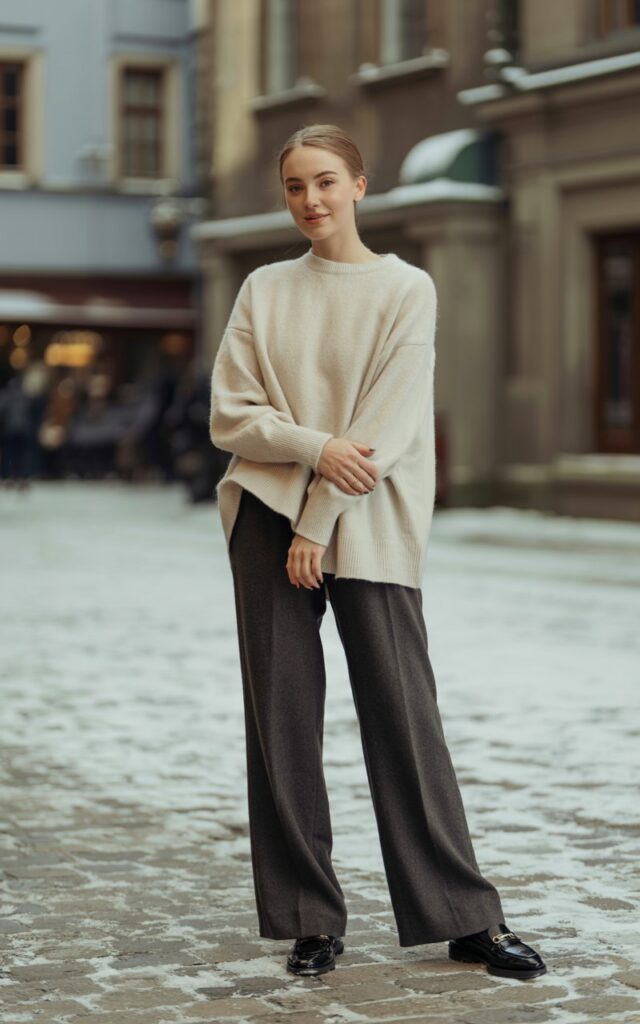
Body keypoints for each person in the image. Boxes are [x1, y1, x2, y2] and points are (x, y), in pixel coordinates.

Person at [209, 124, 547, 982]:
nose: (311, 201)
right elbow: (231, 415)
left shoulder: (407, 289)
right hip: (266, 512)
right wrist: (314, 449)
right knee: (280, 719)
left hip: (369, 515)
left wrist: (320, 514)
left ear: (361, 185)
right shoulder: (263, 288)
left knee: (404, 714)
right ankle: (307, 917)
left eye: (325, 182)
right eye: (294, 188)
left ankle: (464, 915)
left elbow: (390, 421)